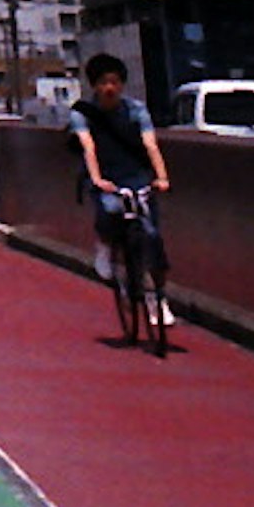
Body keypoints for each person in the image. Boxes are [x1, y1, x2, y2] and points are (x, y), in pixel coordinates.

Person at [69, 52, 171, 324]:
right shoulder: (82, 112)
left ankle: (158, 298)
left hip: (137, 175)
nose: (109, 88)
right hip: (105, 175)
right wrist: (97, 179)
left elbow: (151, 145)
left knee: (151, 234)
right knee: (109, 208)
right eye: (103, 82)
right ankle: (104, 244)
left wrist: (162, 177)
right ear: (94, 85)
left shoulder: (136, 109)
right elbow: (88, 147)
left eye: (114, 82)